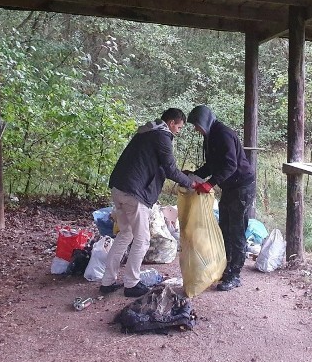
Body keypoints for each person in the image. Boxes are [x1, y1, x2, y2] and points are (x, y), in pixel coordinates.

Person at [100, 108, 196, 297]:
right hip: (134, 194)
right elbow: (169, 169)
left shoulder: (146, 133)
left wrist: (181, 175)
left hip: (119, 188)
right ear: (171, 123)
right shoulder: (163, 137)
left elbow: (155, 164)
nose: (178, 131)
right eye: (179, 127)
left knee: (125, 235)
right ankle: (131, 284)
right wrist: (190, 183)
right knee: (142, 240)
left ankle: (107, 281)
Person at [187, 105, 256, 291]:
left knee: (236, 230)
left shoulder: (223, 134)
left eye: (196, 125)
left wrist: (210, 184)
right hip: (230, 186)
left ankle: (235, 274)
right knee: (224, 227)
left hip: (242, 186)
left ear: (204, 120)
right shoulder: (210, 136)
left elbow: (230, 165)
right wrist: (195, 175)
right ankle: (225, 267)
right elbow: (212, 164)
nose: (196, 129)